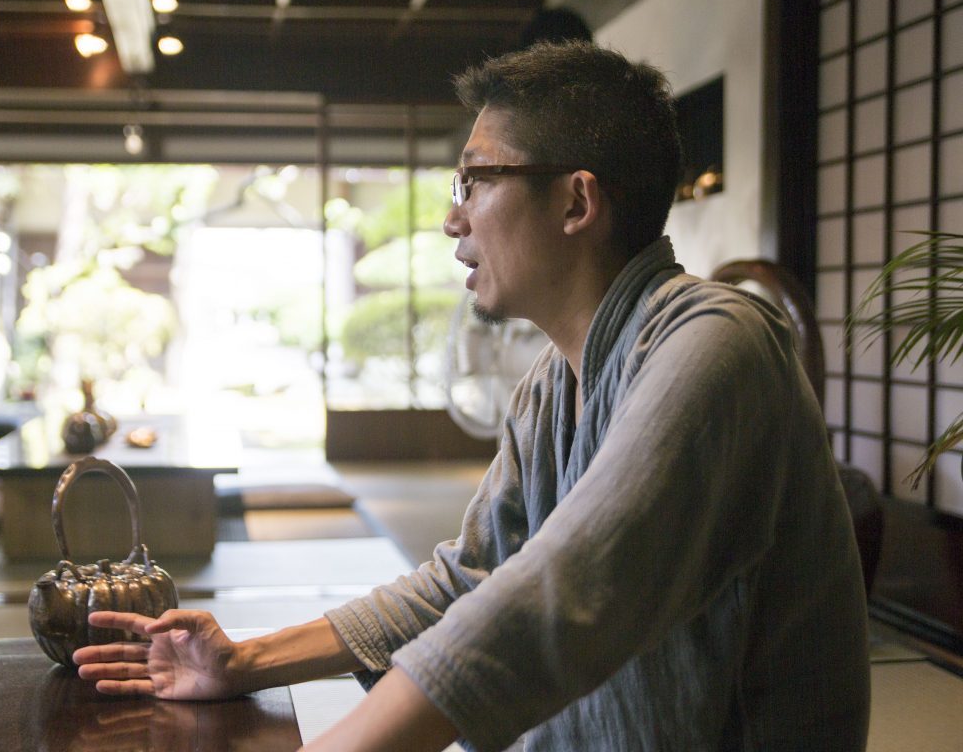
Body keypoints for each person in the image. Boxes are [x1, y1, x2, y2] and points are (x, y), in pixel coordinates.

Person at [73, 41, 871, 752]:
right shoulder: (553, 383)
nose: (452, 220)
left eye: (475, 181)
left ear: (576, 202)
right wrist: (246, 660)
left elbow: (564, 588)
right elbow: (471, 578)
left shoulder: (719, 343)